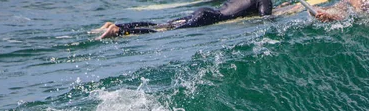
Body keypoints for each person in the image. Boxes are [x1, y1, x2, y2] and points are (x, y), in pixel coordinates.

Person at [94, 0, 273, 39]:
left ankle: (117, 25)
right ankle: (119, 31)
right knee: (167, 30)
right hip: (210, 18)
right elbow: (266, 17)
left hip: (205, 11)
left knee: (164, 24)